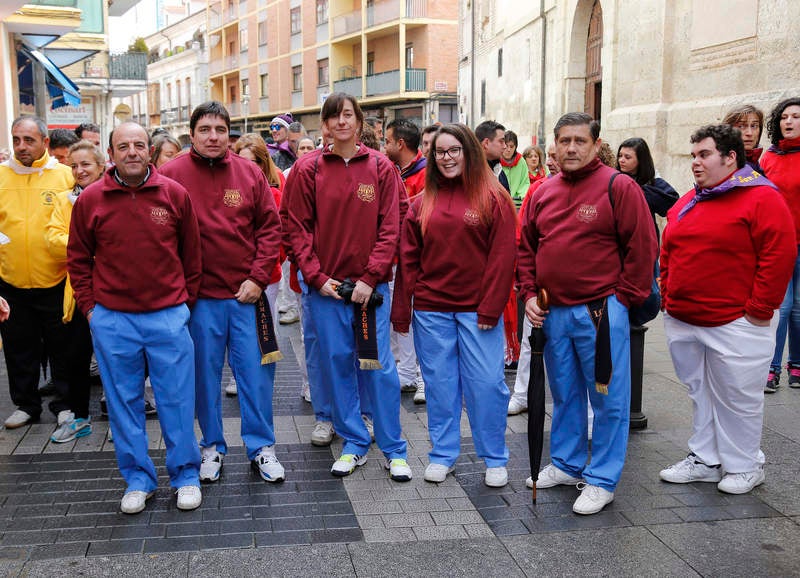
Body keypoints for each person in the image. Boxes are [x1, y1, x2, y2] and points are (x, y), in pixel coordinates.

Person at [518, 112, 657, 515]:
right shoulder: (542, 191)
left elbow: (642, 247)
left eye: (581, 141)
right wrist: (528, 294)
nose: (572, 148)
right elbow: (526, 248)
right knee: (564, 393)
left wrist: (623, 301)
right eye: (565, 141)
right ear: (555, 146)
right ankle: (566, 463)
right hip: (553, 310)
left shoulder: (620, 186)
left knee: (609, 398)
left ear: (596, 145)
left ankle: (601, 479)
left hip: (601, 311)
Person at [68, 122, 203, 514]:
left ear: (149, 150)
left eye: (139, 145)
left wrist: (183, 307)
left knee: (176, 401)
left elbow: (191, 257)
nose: (132, 152)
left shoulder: (174, 195)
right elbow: (77, 260)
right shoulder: (91, 200)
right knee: (123, 403)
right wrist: (92, 311)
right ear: (110, 153)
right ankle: (138, 480)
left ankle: (186, 476)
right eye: (123, 146)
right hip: (113, 320)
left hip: (167, 317)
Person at [659, 123, 795, 494]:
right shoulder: (691, 198)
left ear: (731, 157)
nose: (696, 163)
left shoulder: (762, 197)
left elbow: (778, 254)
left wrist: (758, 309)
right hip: (685, 317)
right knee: (700, 392)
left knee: (738, 396)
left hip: (736, 320)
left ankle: (745, 466)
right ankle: (705, 458)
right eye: (693, 156)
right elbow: (668, 245)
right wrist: (667, 290)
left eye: (704, 155)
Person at [285, 92, 411, 481]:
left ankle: (394, 449)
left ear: (359, 123)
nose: (341, 122)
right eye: (333, 117)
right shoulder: (308, 169)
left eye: (348, 115)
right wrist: (317, 278)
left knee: (379, 367)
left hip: (370, 293)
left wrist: (371, 277)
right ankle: (354, 442)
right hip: (327, 292)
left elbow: (391, 226)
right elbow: (296, 228)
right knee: (337, 363)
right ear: (323, 125)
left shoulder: (380, 168)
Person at [159, 102, 286, 486]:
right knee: (203, 378)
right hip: (198, 302)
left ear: (228, 134)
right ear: (192, 133)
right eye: (204, 129)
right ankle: (210, 446)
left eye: (219, 129)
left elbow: (270, 228)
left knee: (257, 375)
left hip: (246, 296)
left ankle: (262, 447)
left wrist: (259, 278)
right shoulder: (171, 175)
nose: (213, 136)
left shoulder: (248, 173)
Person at [392, 123, 517, 486]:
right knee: (440, 386)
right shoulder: (420, 203)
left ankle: (494, 457)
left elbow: (503, 255)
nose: (446, 158)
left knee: (487, 385)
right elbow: (408, 261)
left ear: (468, 153)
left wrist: (491, 307)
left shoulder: (493, 197)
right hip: (432, 311)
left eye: (453, 151)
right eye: (440, 152)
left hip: (478, 312)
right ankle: (443, 453)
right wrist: (402, 311)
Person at [0, 116, 74, 429]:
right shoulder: (1, 176)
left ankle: (65, 404)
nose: (21, 146)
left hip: (55, 278)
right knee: (18, 347)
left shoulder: (66, 176)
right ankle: (26, 405)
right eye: (16, 139)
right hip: (11, 278)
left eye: (29, 140)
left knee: (62, 347)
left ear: (45, 142)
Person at [45, 140, 106, 442]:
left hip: (114, 289)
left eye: (86, 165)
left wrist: (84, 248)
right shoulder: (63, 199)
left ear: (100, 165)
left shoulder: (113, 194)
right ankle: (79, 417)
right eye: (74, 166)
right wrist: (88, 246)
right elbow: (53, 241)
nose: (80, 170)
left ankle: (122, 419)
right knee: (76, 356)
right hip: (79, 290)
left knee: (116, 357)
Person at [508, 142, 560, 417]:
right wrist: (526, 286)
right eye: (549, 155)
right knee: (530, 342)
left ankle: (589, 413)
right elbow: (523, 237)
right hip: (540, 287)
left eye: (554, 155)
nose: (551, 160)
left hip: (577, 293)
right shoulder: (538, 189)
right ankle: (522, 394)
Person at [384, 118, 428, 402]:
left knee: (421, 319)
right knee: (402, 317)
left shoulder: (427, 174)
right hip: (399, 256)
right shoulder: (397, 171)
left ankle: (423, 378)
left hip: (421, 260)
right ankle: (408, 371)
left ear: (400, 143)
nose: (384, 146)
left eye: (387, 141)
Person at [760, 98, 800, 393]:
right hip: (779, 244)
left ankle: (796, 365)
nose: (789, 121)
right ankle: (771, 369)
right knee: (782, 308)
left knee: (799, 309)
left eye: (796, 116)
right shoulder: (769, 158)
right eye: (785, 117)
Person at [616, 137, 679, 237]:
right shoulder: (614, 178)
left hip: (644, 236)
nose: (621, 160)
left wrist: (642, 193)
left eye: (627, 157)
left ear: (640, 160)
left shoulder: (652, 181)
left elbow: (672, 203)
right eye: (620, 156)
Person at [723, 104, 765, 172]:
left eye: (754, 126)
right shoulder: (722, 166)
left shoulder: (753, 162)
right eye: (741, 126)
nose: (749, 133)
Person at [475, 120, 510, 192]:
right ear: (486, 143)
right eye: (501, 141)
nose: (505, 146)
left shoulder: (498, 169)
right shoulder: (472, 173)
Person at [500, 130, 531, 208]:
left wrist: (522, 195)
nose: (508, 149)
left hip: (518, 204)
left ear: (515, 147)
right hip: (500, 204)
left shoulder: (521, 161)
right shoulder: (495, 161)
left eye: (511, 146)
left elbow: (525, 182)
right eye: (506, 146)